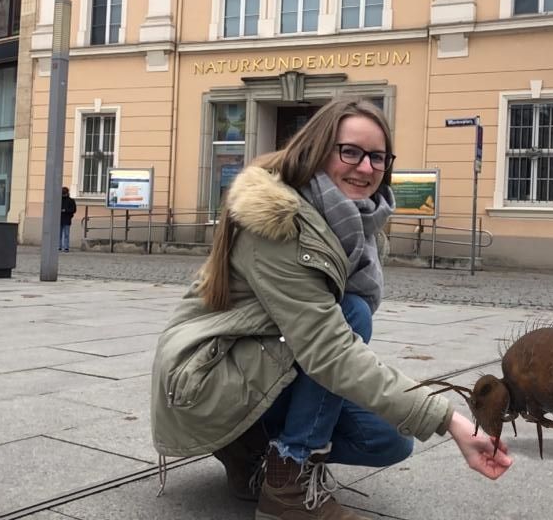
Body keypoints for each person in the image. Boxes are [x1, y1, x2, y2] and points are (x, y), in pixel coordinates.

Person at [150, 98, 512, 520]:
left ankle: (248, 449)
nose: (365, 167)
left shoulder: (356, 222)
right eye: (350, 151)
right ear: (319, 148)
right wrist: (448, 419)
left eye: (377, 156)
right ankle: (287, 478)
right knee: (352, 312)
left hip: (264, 359)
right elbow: (330, 350)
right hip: (207, 377)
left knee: (390, 441)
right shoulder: (279, 221)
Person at [60, 186, 76, 252]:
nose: (63, 194)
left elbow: (73, 210)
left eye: (64, 193)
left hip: (66, 219)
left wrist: (65, 210)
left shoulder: (71, 200)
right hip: (60, 219)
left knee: (66, 234)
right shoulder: (58, 200)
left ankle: (66, 247)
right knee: (60, 234)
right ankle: (59, 246)